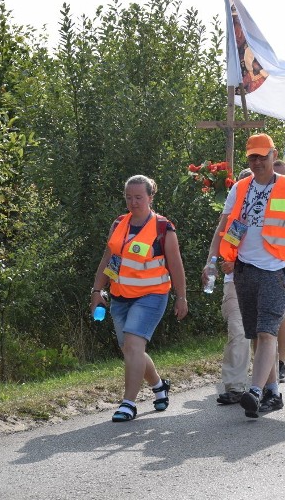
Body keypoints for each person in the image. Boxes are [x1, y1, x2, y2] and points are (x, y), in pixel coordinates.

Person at [205, 134, 285, 419]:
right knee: (256, 334)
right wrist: (213, 261)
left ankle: (253, 390)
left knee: (267, 332)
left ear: (273, 155)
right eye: (253, 157)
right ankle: (273, 392)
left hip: (277, 269)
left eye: (263, 156)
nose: (258, 162)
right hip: (243, 269)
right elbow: (223, 228)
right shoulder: (239, 188)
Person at [89, 175, 189, 422]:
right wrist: (96, 291)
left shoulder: (163, 228)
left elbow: (176, 265)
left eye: (139, 198)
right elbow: (107, 260)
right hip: (120, 297)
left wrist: (181, 297)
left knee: (133, 346)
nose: (133, 203)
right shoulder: (119, 224)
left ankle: (128, 404)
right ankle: (158, 386)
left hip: (152, 296)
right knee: (131, 350)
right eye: (129, 197)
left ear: (150, 198)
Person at [216, 169, 253, 406]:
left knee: (262, 334)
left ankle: (266, 385)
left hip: (266, 281)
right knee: (238, 330)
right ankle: (235, 386)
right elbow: (225, 247)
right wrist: (218, 263)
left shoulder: (271, 214)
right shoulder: (236, 220)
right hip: (235, 282)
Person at [271, 159, 285, 382]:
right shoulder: (257, 194)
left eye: (281, 175)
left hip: (284, 263)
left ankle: (280, 361)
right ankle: (265, 363)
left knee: (280, 311)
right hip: (257, 263)